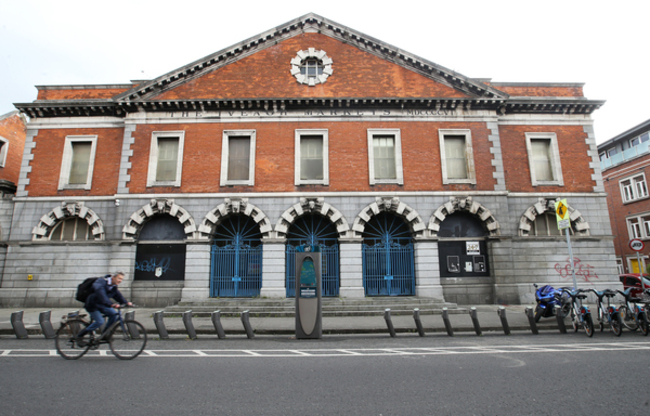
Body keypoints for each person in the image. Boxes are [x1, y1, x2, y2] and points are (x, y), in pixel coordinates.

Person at [75, 271, 132, 345]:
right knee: (100, 322)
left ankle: (104, 335)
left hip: (102, 305)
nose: (120, 281)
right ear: (113, 277)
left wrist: (126, 302)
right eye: (119, 278)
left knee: (114, 314)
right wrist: (111, 304)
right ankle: (79, 336)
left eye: (121, 279)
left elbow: (117, 295)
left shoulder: (113, 286)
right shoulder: (101, 282)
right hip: (92, 305)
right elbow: (101, 294)